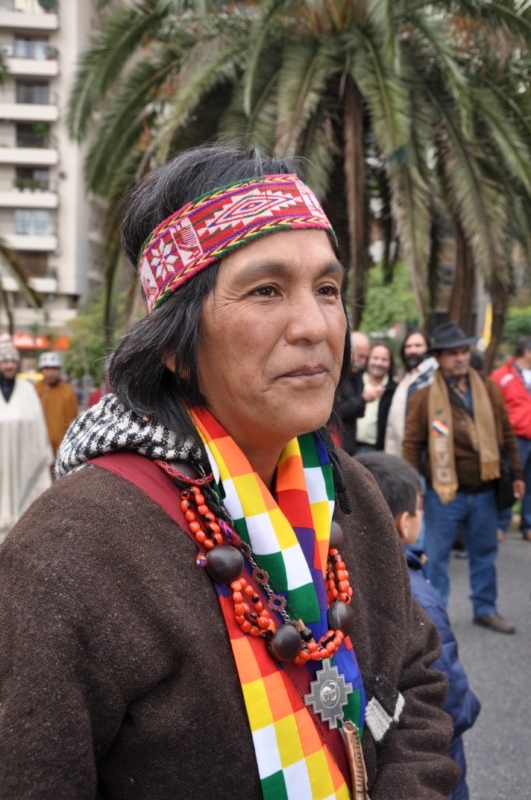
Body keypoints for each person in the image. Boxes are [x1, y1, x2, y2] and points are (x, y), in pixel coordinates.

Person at [0, 146, 459, 799]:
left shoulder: (346, 489)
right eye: (266, 290)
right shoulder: (71, 549)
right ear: (174, 344)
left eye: (327, 290)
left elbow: (415, 684)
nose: (314, 325)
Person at [356, 452, 481, 800]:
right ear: (402, 522)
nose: (421, 517)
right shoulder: (418, 596)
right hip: (430, 750)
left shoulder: (348, 573)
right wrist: (467, 712)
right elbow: (447, 689)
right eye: (420, 509)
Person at [402, 322, 524, 634]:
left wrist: (517, 473)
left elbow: (506, 433)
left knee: (484, 555)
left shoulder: (488, 388)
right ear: (438, 358)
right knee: (436, 559)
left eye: (463, 352)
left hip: (484, 490)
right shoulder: (424, 397)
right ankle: (434, 617)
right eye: (452, 353)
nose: (460, 358)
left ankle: (485, 609)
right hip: (444, 494)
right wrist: (414, 487)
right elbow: (412, 445)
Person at [0, 334, 52, 542]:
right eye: (4, 360)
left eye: (13, 360)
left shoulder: (28, 391)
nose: (9, 365)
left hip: (23, 462)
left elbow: (37, 428)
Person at [491, 336, 531, 542]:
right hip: (515, 437)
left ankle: (528, 524)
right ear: (527, 352)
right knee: (509, 480)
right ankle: (500, 524)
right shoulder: (502, 376)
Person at [385, 329, 437, 456]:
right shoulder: (408, 377)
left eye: (418, 346)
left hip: (419, 455)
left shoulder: (432, 377)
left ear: (428, 348)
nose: (412, 350)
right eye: (408, 346)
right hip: (399, 454)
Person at [35, 351, 79, 459]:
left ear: (59, 370)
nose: (50, 372)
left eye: (54, 368)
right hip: (37, 446)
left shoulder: (68, 391)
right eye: (47, 368)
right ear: (41, 370)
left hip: (61, 449)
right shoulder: (34, 389)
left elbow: (73, 419)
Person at [355, 342, 397, 452]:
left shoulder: (394, 390)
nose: (379, 363)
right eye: (375, 358)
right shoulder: (353, 381)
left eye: (384, 359)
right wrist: (362, 399)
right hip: (348, 446)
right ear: (368, 359)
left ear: (390, 363)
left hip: (377, 450)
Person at [337, 331, 371, 454]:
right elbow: (338, 411)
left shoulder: (356, 376)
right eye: (360, 356)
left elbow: (360, 413)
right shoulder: (337, 377)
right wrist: (363, 399)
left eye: (366, 358)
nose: (363, 362)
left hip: (350, 444)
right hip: (337, 444)